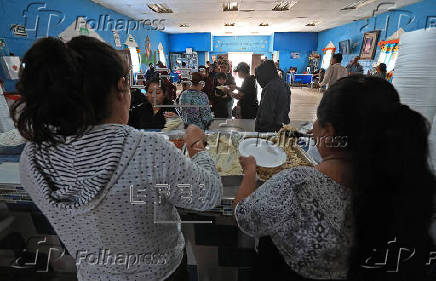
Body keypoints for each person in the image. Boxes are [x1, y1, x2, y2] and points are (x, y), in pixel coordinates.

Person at [12, 36, 222, 281]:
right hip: (159, 273)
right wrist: (197, 146)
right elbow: (209, 195)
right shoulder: (146, 150)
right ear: (122, 87)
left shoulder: (32, 160)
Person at [233, 75, 436, 281]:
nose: (312, 129)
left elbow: (244, 215)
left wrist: (250, 171)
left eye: (317, 120)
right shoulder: (406, 185)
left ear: (329, 133)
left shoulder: (297, 183)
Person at [254, 60, 290, 132]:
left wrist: (260, 126)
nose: (259, 81)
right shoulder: (284, 84)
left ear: (265, 74)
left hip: (268, 129)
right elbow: (286, 108)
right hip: (279, 126)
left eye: (259, 77)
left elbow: (266, 113)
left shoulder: (270, 87)